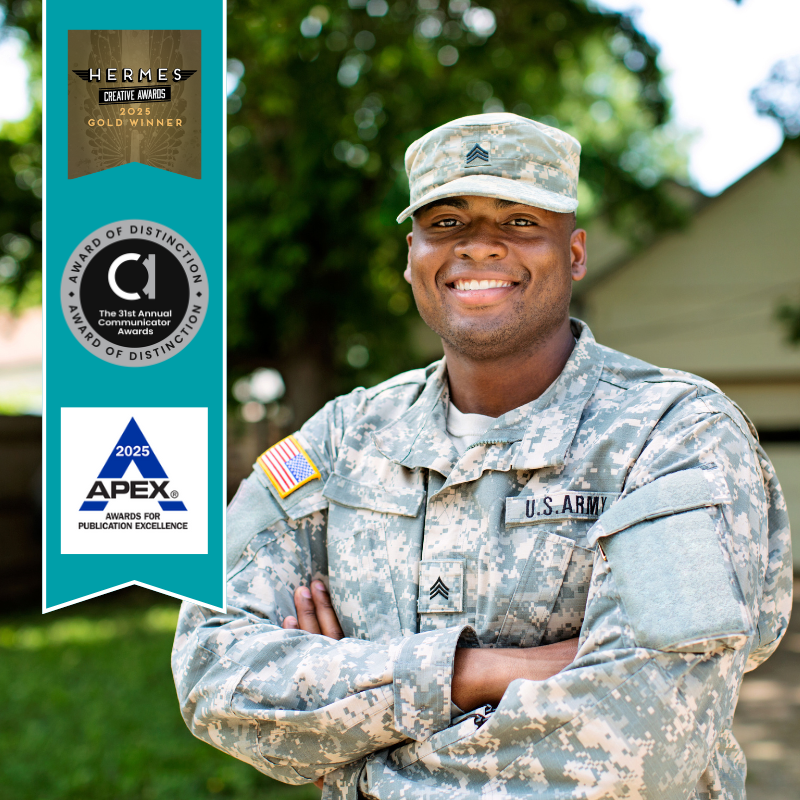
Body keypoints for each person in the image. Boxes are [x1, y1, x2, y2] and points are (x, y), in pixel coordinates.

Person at [171, 113, 792, 799]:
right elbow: (211, 671)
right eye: (447, 222)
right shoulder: (342, 438)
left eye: (521, 221)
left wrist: (350, 748)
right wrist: (473, 672)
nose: (481, 247)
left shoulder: (672, 432)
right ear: (412, 255)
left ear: (576, 252)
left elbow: (644, 735)